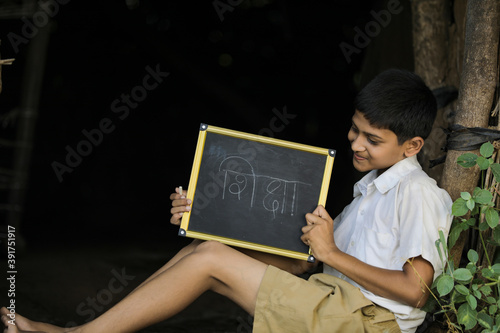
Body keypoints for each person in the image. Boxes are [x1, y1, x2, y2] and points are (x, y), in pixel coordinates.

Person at [1, 68, 452, 333]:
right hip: (332, 301)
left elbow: (418, 289)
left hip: (369, 324)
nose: (356, 144)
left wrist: (330, 250)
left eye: (372, 140)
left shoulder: (418, 194)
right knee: (202, 249)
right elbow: (301, 265)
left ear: (412, 146)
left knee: (210, 259)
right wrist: (207, 219)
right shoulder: (364, 196)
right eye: (354, 130)